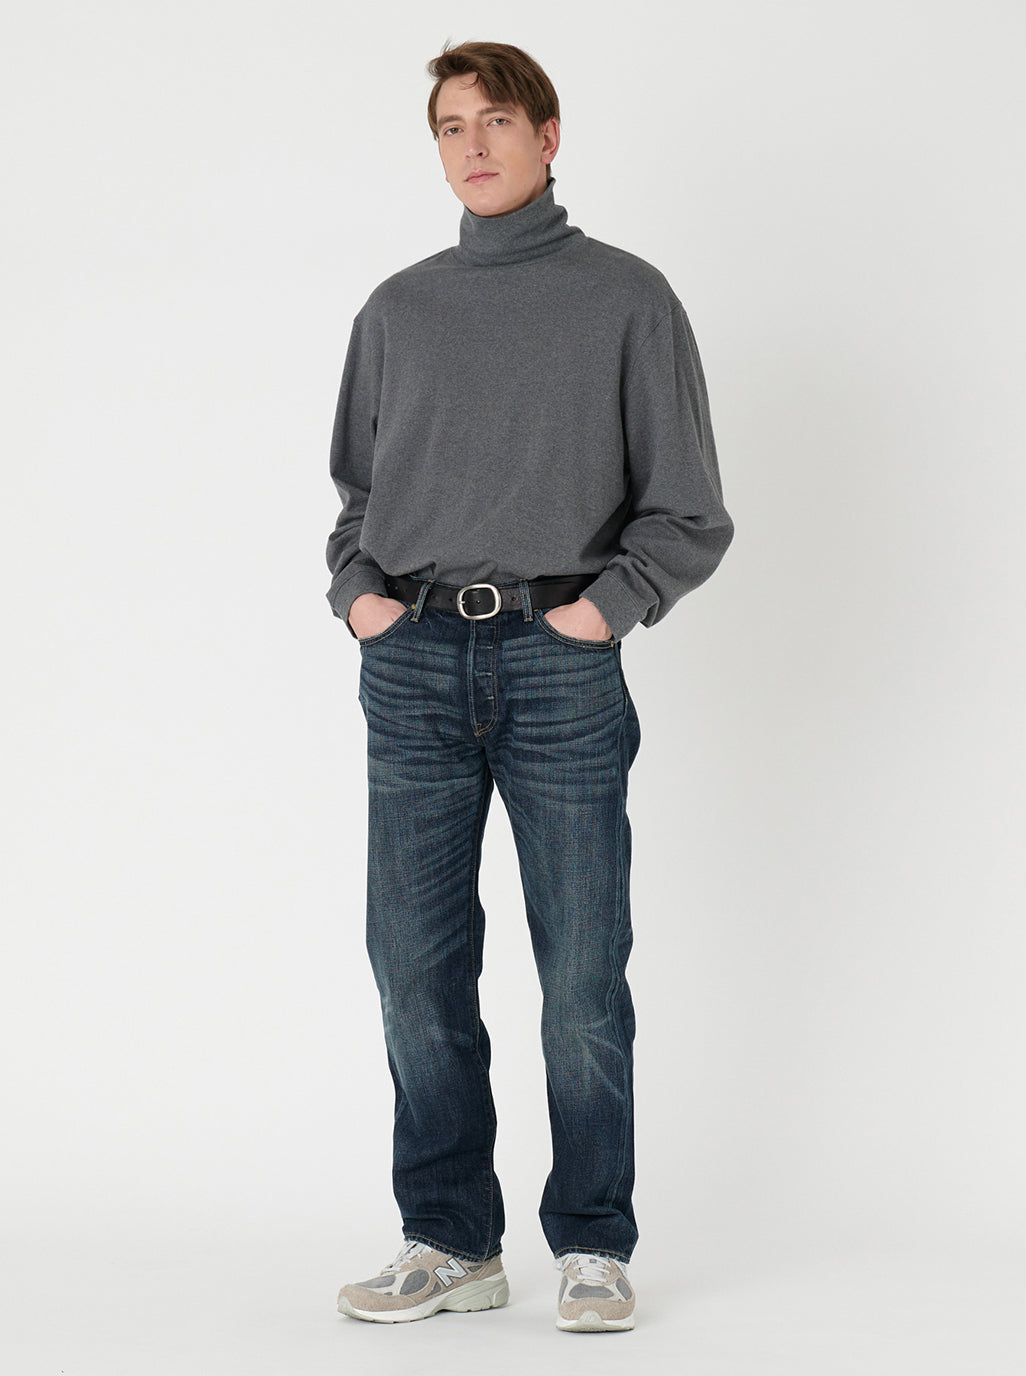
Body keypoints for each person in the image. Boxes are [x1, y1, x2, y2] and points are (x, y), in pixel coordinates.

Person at [325, 40, 733, 1333]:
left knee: (583, 977)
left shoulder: (627, 300)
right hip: (415, 663)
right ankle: (452, 1240)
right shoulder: (398, 310)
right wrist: (362, 599)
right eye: (451, 127)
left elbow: (688, 511)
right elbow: (356, 500)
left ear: (550, 138)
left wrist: (603, 612)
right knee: (414, 968)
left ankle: (593, 1242)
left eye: (496, 121)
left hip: (561, 667)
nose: (474, 146)